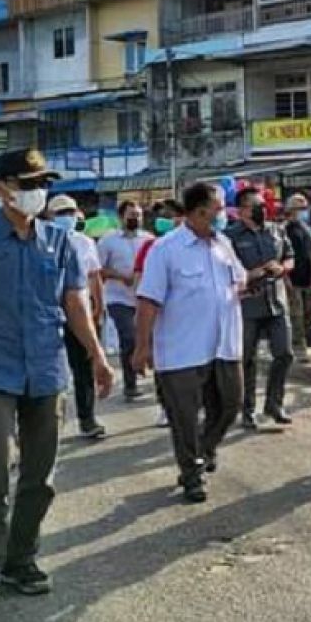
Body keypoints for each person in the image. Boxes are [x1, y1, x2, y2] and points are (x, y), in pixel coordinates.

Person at [0, 149, 113, 609]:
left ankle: (22, 558)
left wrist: (97, 355)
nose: (38, 191)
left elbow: (75, 303)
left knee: (41, 476)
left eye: (43, 183)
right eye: (29, 183)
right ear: (1, 189)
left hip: (46, 369)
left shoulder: (58, 241)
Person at [133, 183, 246, 504]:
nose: (224, 214)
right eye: (219, 208)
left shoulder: (223, 243)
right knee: (183, 418)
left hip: (224, 345)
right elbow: (148, 301)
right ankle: (192, 473)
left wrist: (256, 279)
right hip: (181, 351)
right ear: (199, 212)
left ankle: (205, 447)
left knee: (230, 405)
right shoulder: (166, 249)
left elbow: (239, 280)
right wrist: (143, 347)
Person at [225, 187, 294, 430]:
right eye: (256, 206)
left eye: (263, 205)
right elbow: (226, 271)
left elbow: (290, 256)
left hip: (276, 302)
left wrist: (282, 268)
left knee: (285, 354)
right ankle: (247, 409)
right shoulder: (230, 237)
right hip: (247, 305)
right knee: (247, 360)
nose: (262, 210)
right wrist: (253, 273)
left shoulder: (276, 230)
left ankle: (274, 404)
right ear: (243, 210)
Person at [48, 195, 107, 439]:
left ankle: (87, 417)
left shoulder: (84, 243)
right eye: (61, 212)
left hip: (80, 311)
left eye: (71, 212)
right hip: (50, 312)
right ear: (50, 216)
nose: (67, 217)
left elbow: (94, 276)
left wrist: (99, 306)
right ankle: (46, 425)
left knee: (83, 365)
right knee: (50, 369)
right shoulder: (40, 241)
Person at [133, 199, 183, 430]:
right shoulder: (152, 247)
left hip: (187, 319)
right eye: (165, 217)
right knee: (163, 364)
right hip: (160, 316)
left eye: (173, 215)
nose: (170, 220)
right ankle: (166, 406)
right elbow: (138, 281)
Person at [98, 201, 151, 400]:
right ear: (121, 217)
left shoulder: (149, 240)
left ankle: (142, 365)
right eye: (131, 215)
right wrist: (121, 277)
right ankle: (130, 385)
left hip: (144, 298)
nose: (135, 218)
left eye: (138, 215)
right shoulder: (108, 241)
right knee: (128, 337)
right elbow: (98, 269)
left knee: (146, 337)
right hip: (118, 297)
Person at [283, 194, 311, 362]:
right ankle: (299, 348)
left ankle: (299, 339)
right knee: (296, 315)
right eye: (301, 208)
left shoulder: (306, 228)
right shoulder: (285, 230)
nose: (304, 212)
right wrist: (285, 279)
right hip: (293, 279)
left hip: (307, 278)